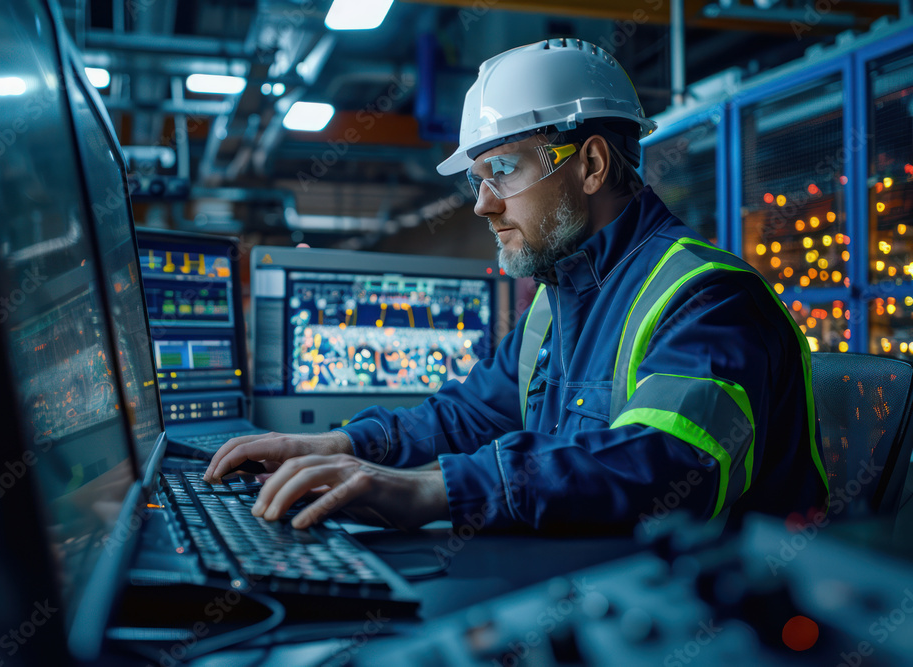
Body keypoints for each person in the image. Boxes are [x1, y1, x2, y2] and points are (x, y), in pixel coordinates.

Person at [204, 38, 829, 534]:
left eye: (501, 170)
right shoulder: (559, 302)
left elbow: (667, 464)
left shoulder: (706, 298)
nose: (482, 205)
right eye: (476, 179)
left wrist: (432, 490)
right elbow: (473, 412)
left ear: (590, 165)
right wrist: (337, 444)